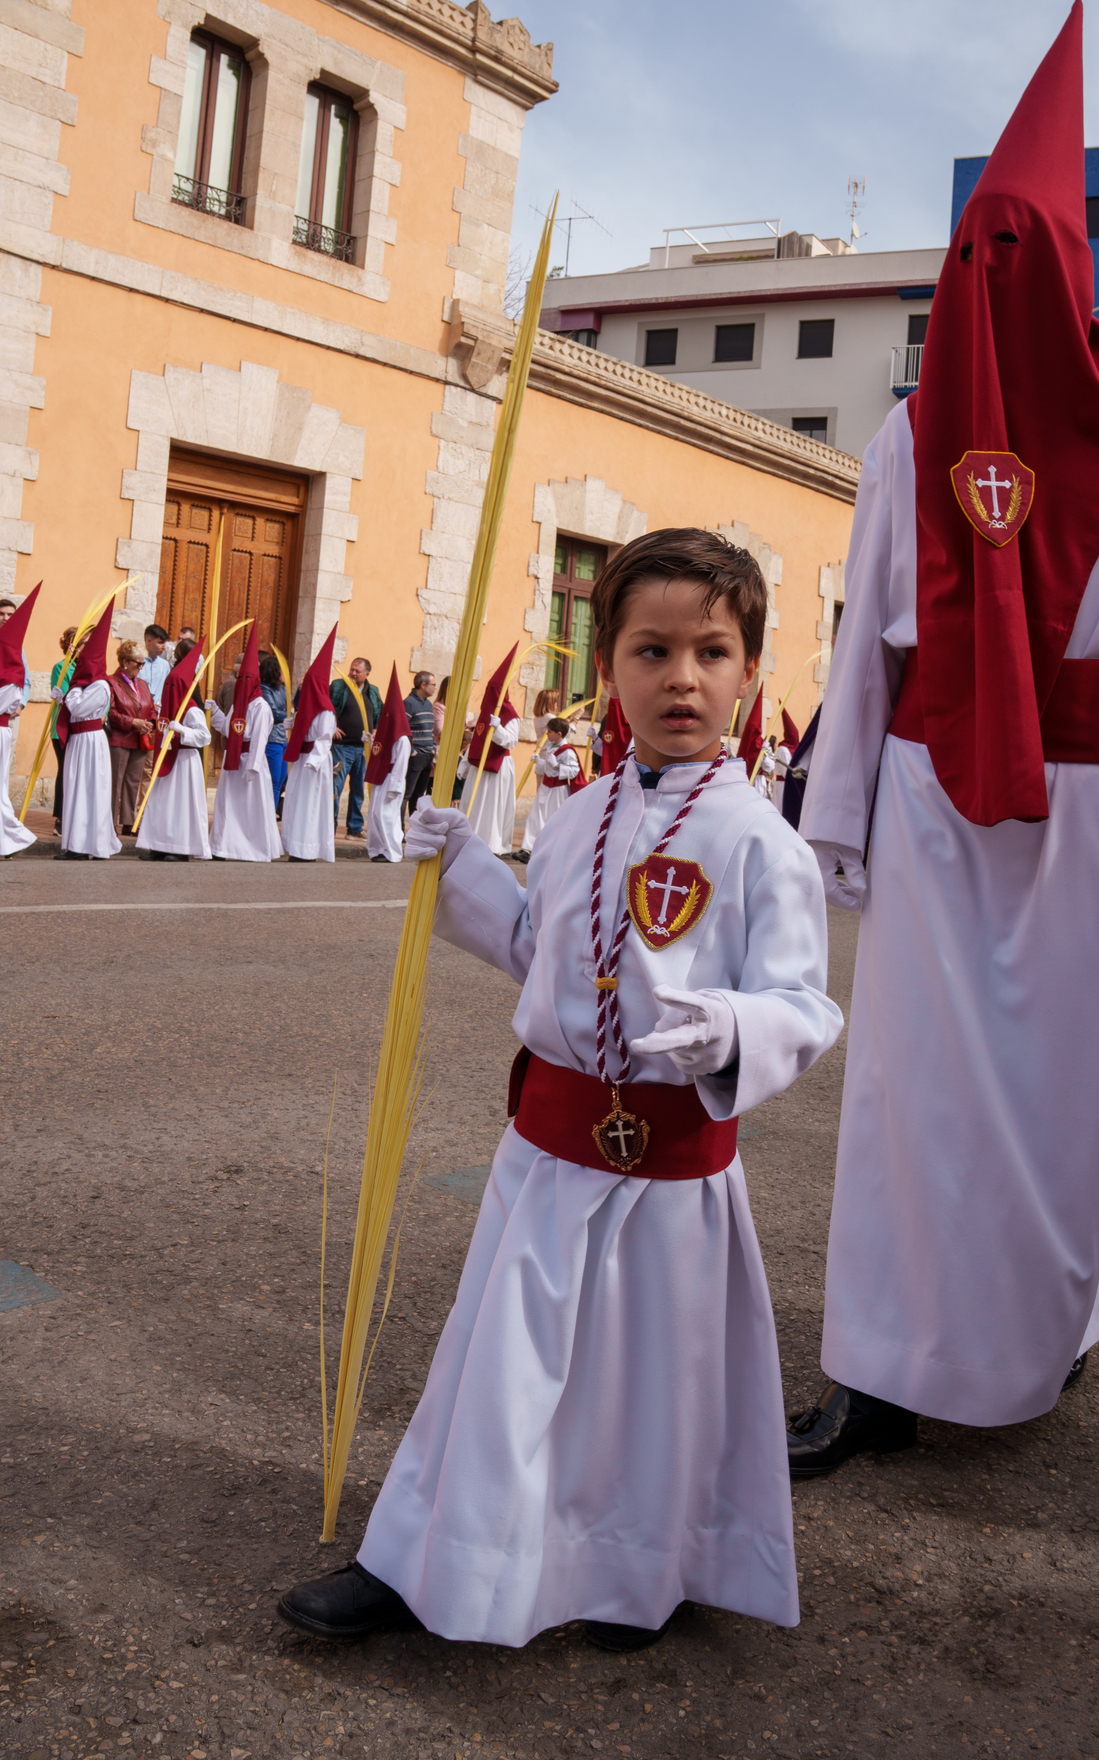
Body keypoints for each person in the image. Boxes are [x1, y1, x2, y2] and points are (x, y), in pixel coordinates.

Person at [277, 527, 842, 1652]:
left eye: (713, 652)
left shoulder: (762, 844)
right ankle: (423, 1558)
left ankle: (636, 1573)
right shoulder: (576, 812)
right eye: (651, 650)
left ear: (750, 672)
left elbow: (805, 1004)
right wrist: (467, 871)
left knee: (645, 1393)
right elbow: (546, 945)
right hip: (546, 1158)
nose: (682, 676)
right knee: (497, 1370)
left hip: (668, 1175)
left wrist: (731, 1025)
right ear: (608, 668)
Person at [791, 2, 1099, 1477]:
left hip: (1094, 819)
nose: (993, 280)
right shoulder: (909, 434)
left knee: (1069, 1100)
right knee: (909, 1099)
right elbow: (866, 647)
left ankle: (1053, 1326)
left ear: (1077, 266)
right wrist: (836, 814)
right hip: (933, 792)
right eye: (979, 253)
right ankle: (878, 1368)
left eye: (1021, 253)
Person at [208, 626, 282, 863]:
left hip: (250, 763)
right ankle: (223, 846)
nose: (241, 682)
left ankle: (251, 847)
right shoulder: (239, 704)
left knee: (250, 809)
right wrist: (215, 711)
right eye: (240, 678)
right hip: (233, 761)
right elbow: (228, 727)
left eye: (246, 679)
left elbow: (259, 737)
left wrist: (253, 766)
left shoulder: (260, 706)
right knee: (228, 805)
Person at [136, 638, 211, 862]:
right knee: (162, 802)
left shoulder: (191, 709)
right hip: (169, 756)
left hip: (186, 761)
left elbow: (204, 736)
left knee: (180, 805)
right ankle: (158, 845)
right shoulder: (170, 708)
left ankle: (180, 848)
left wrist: (182, 730)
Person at [58, 616, 121, 860]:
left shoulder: (100, 685)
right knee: (75, 788)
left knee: (88, 790)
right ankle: (75, 843)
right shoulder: (83, 684)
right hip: (79, 741)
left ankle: (87, 844)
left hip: (91, 742)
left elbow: (79, 709)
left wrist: (69, 693)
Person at [282, 626, 338, 863]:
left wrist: (313, 763)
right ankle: (295, 845)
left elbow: (324, 741)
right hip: (303, 760)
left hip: (314, 764)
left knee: (311, 806)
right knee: (296, 802)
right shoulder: (306, 710)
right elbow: (300, 730)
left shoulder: (325, 712)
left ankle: (307, 848)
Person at [462, 644, 520, 857]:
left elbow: (510, 742)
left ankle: (491, 845)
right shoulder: (484, 713)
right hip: (479, 765)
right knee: (474, 803)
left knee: (492, 808)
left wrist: (497, 729)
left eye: (494, 691)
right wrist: (466, 761)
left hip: (498, 766)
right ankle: (471, 841)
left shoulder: (511, 716)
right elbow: (476, 739)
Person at [0, 581, 40, 857]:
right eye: (1, 614)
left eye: (9, 615)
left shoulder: (16, 649)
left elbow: (22, 679)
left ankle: (12, 836)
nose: (5, 619)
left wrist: (20, 704)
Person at [106, 639, 155, 834]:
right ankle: (109, 821)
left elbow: (150, 707)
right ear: (125, 662)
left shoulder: (142, 684)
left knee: (133, 781)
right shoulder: (111, 682)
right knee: (115, 781)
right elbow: (110, 711)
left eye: (143, 663)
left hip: (139, 738)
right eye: (138, 663)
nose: (141, 667)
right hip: (120, 738)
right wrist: (132, 722)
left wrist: (150, 722)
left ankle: (128, 821)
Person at [365, 664, 412, 863]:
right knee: (376, 814)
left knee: (388, 816)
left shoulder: (402, 740)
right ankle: (378, 848)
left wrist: (395, 786)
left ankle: (392, 851)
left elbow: (401, 765)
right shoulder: (386, 735)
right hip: (381, 778)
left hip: (392, 780)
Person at [331, 656, 381, 839]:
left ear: (367, 674)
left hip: (363, 749)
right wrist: (331, 726)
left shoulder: (372, 691)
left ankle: (354, 827)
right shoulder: (338, 686)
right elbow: (327, 707)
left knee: (358, 788)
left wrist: (375, 730)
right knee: (335, 787)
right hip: (341, 749)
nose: (352, 673)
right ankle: (331, 825)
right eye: (351, 669)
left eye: (357, 671)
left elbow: (379, 713)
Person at [517, 716, 579, 859]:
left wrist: (558, 765)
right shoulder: (552, 746)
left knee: (553, 820)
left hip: (558, 790)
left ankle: (551, 851)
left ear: (559, 734)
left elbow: (573, 770)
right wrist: (540, 762)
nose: (547, 734)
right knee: (535, 817)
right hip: (545, 787)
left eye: (550, 731)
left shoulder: (568, 751)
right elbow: (548, 767)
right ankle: (527, 849)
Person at [49, 625, 76, 833]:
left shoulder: (87, 667)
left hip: (81, 728)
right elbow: (66, 698)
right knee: (65, 770)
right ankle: (60, 818)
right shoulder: (61, 667)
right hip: (63, 728)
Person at [258, 650, 290, 812]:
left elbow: (292, 708)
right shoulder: (264, 690)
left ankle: (270, 816)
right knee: (272, 780)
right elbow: (273, 713)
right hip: (272, 740)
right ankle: (265, 817)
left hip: (283, 739)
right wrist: (288, 713)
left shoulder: (282, 690)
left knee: (279, 782)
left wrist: (299, 689)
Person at [403, 670, 437, 819]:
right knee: (407, 794)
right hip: (415, 757)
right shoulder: (409, 703)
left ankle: (415, 830)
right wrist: (411, 751)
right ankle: (400, 830)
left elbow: (430, 730)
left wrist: (433, 749)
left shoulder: (429, 705)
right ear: (423, 685)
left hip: (427, 756)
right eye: (433, 685)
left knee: (419, 796)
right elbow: (403, 729)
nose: (435, 688)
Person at [140, 624, 170, 709]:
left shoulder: (165, 665)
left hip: (159, 713)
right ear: (149, 641)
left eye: (164, 643)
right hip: (141, 711)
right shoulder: (137, 663)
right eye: (160, 643)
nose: (163, 646)